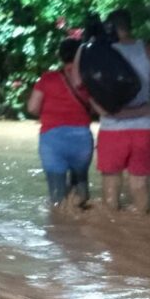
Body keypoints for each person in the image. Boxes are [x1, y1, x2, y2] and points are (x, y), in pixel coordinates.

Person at [93, 9, 150, 213]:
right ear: (130, 26)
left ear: (110, 27)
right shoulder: (147, 49)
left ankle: (111, 234)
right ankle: (143, 231)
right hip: (142, 127)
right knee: (140, 184)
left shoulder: (103, 52)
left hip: (112, 129)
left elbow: (90, 89)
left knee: (111, 184)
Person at [27, 38, 94, 208]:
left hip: (52, 140)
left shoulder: (48, 79)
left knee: (57, 198)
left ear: (60, 56)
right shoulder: (88, 79)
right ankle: (83, 227)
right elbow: (95, 108)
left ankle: (60, 228)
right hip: (82, 140)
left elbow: (33, 108)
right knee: (81, 190)